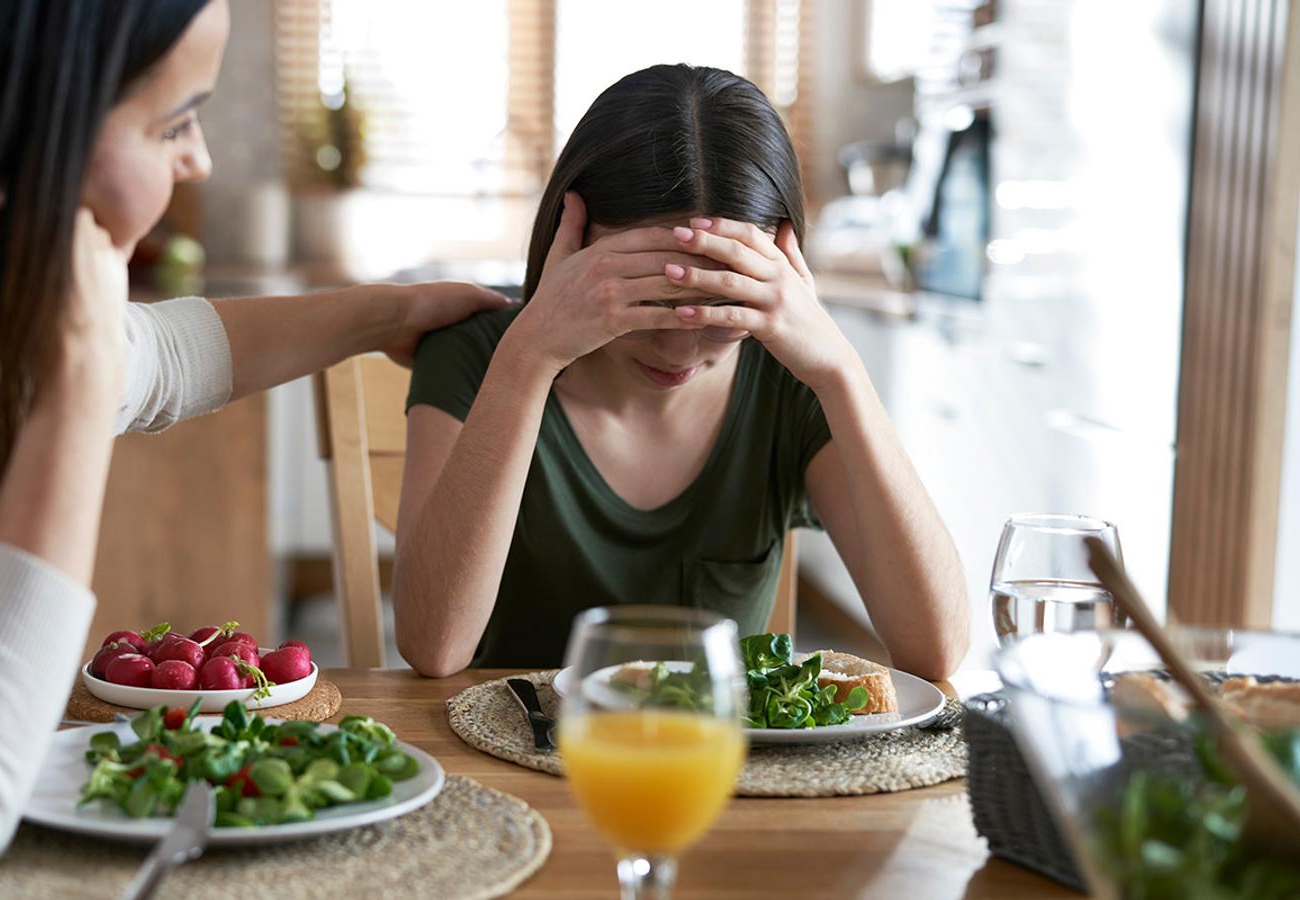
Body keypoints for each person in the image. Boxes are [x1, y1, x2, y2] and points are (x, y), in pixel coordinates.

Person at [0, 1, 504, 893]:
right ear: (30, 112)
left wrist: (385, 314)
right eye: (174, 121)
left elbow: (158, 357)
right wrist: (77, 402)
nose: (198, 158)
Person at [393, 64, 969, 680]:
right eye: (645, 300)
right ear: (574, 243)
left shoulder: (794, 381)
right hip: (510, 757)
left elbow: (934, 650)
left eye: (721, 308)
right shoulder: (481, 356)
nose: (678, 350)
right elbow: (434, 647)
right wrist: (527, 359)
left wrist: (841, 373)